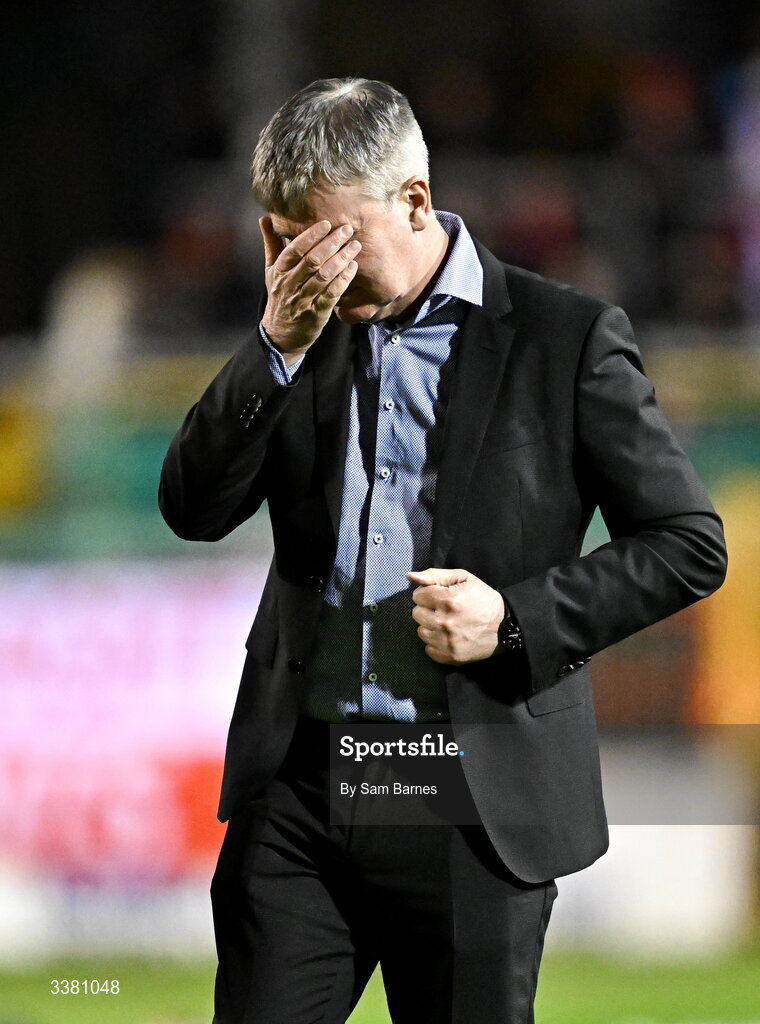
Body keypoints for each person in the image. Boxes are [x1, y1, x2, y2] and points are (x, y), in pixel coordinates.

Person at [159, 78, 727, 1024]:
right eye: (291, 242)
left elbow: (686, 544)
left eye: (337, 239)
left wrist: (517, 620)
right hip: (303, 784)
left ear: (414, 200)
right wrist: (272, 345)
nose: (315, 268)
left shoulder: (565, 338)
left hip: (469, 790)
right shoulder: (302, 331)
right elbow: (192, 507)